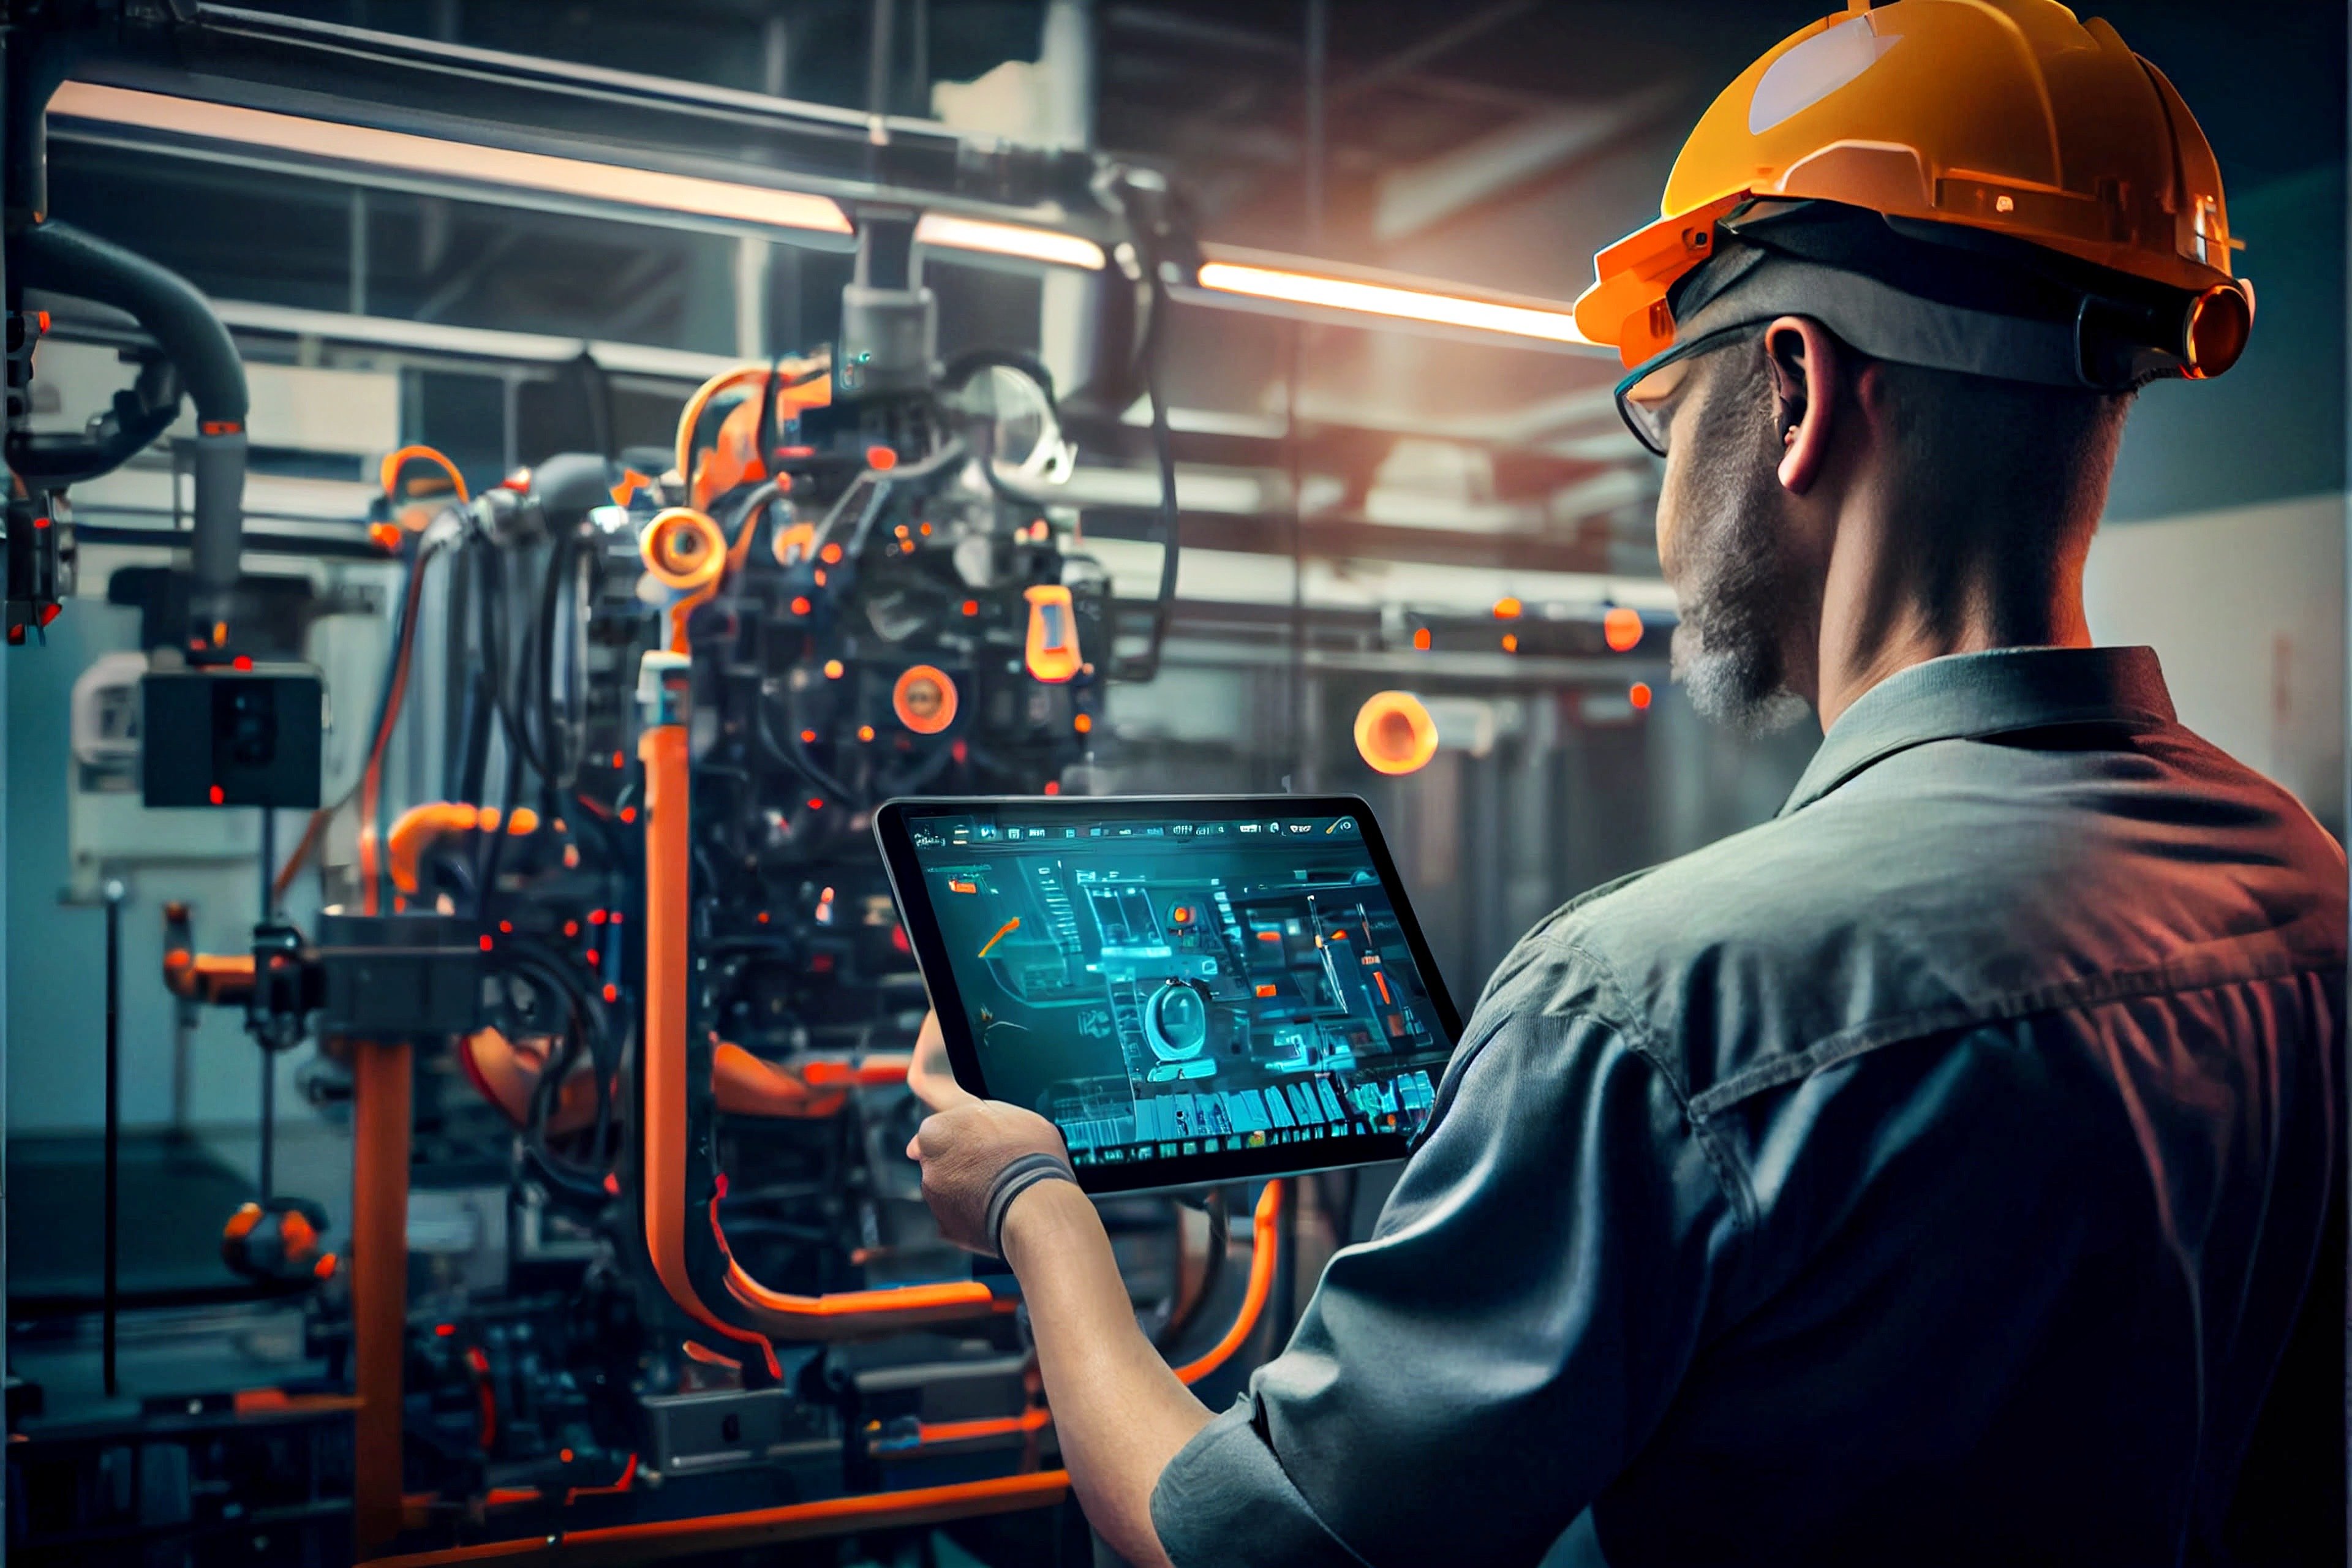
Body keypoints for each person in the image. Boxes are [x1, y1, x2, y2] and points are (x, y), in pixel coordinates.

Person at [905, 2, 2346, 1563]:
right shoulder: (2308, 887)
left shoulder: (1654, 1003)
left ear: (1793, 390)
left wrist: (1032, 1200)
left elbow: (1241, 1549)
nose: (1665, 498)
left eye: (1667, 413)